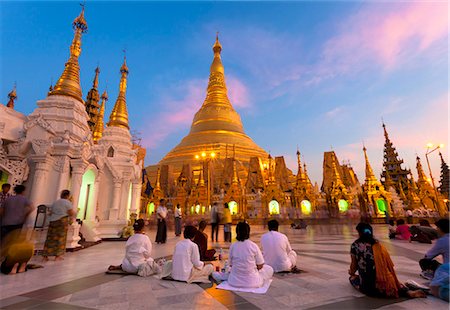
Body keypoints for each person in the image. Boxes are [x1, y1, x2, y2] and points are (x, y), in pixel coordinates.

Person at [349, 222, 425, 298]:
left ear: (359, 233)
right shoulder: (378, 245)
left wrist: (351, 272)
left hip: (370, 288)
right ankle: (407, 292)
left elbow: (354, 264)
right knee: (394, 281)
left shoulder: (355, 245)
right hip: (386, 281)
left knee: (352, 278)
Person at [227, 222, 273, 288]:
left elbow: (230, 264)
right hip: (252, 282)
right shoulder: (253, 246)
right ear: (248, 232)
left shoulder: (233, 246)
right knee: (269, 269)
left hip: (234, 282)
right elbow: (260, 265)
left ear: (237, 232)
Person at [42, 190, 76, 261]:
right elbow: (71, 212)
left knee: (50, 238)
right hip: (61, 222)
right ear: (68, 196)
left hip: (52, 221)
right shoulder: (67, 202)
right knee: (60, 239)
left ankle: (45, 256)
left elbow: (50, 212)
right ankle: (57, 256)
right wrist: (72, 218)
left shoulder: (55, 202)